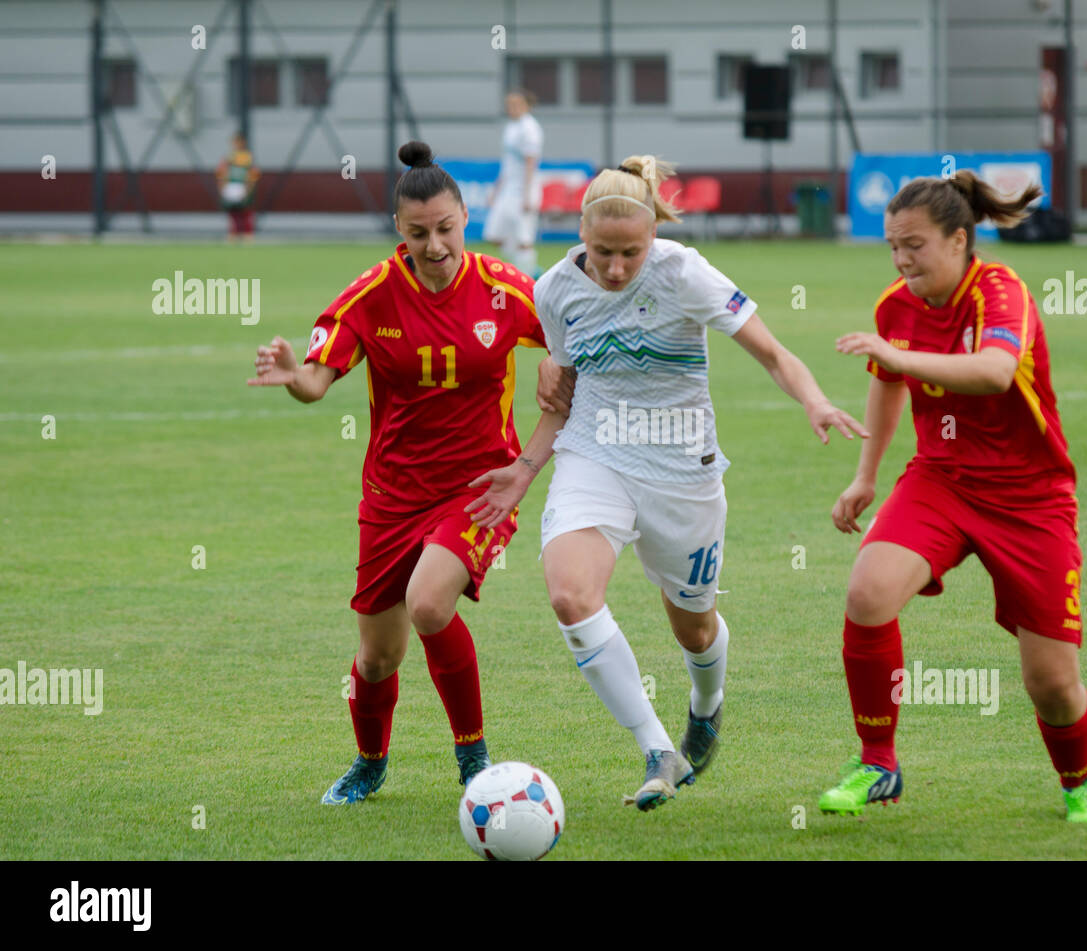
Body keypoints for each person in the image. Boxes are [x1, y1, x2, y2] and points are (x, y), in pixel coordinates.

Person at [465, 155, 867, 811]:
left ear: (654, 235)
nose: (617, 268)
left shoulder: (684, 272)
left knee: (695, 629)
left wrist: (815, 400)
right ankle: (657, 746)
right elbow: (561, 395)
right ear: (581, 237)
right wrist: (526, 467)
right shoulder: (555, 290)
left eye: (631, 252)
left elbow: (772, 352)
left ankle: (705, 704)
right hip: (596, 457)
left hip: (684, 472)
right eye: (603, 253)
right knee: (571, 594)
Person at [247, 140, 567, 804]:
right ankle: (370, 760)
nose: (436, 245)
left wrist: (557, 360)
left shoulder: (506, 289)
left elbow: (574, 338)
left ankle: (473, 760)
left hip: (481, 487)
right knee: (377, 656)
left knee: (428, 603)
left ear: (463, 220)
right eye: (419, 232)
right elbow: (315, 381)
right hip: (392, 495)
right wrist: (291, 376)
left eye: (446, 228)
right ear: (400, 229)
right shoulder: (371, 296)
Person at [819, 170, 1087, 825]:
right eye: (893, 245)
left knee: (1052, 684)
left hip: (1030, 497)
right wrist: (866, 476)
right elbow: (888, 384)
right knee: (868, 592)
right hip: (942, 479)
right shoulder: (895, 304)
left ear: (959, 240)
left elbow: (993, 372)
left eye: (914, 245)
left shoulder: (1000, 291)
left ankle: (1080, 781)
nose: (901, 258)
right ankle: (877, 763)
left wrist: (897, 357)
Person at [483, 90, 543, 278]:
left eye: (516, 104)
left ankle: (526, 277)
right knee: (495, 235)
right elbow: (507, 164)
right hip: (508, 190)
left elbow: (530, 162)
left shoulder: (530, 128)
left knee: (524, 237)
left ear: (526, 105)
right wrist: (496, 190)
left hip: (524, 189)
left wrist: (527, 195)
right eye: (509, 105)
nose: (512, 108)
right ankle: (524, 271)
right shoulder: (511, 127)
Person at [216, 132, 260, 242]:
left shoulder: (248, 157)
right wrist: (222, 186)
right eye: (234, 142)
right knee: (232, 211)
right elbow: (222, 172)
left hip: (243, 186)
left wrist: (249, 186)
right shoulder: (228, 157)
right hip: (231, 186)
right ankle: (233, 234)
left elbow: (253, 173)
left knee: (246, 210)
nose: (236, 144)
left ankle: (248, 234)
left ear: (243, 142)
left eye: (238, 142)